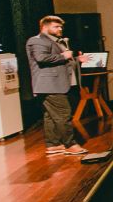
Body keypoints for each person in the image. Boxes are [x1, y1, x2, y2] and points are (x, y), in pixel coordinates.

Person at [25, 15, 88, 156]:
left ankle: (53, 145)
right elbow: (41, 58)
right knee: (63, 114)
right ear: (44, 27)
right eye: (56, 26)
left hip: (54, 84)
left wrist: (77, 59)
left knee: (50, 116)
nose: (60, 29)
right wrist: (64, 56)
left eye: (60, 27)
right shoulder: (37, 40)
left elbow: (61, 62)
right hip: (49, 84)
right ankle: (70, 144)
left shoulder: (57, 42)